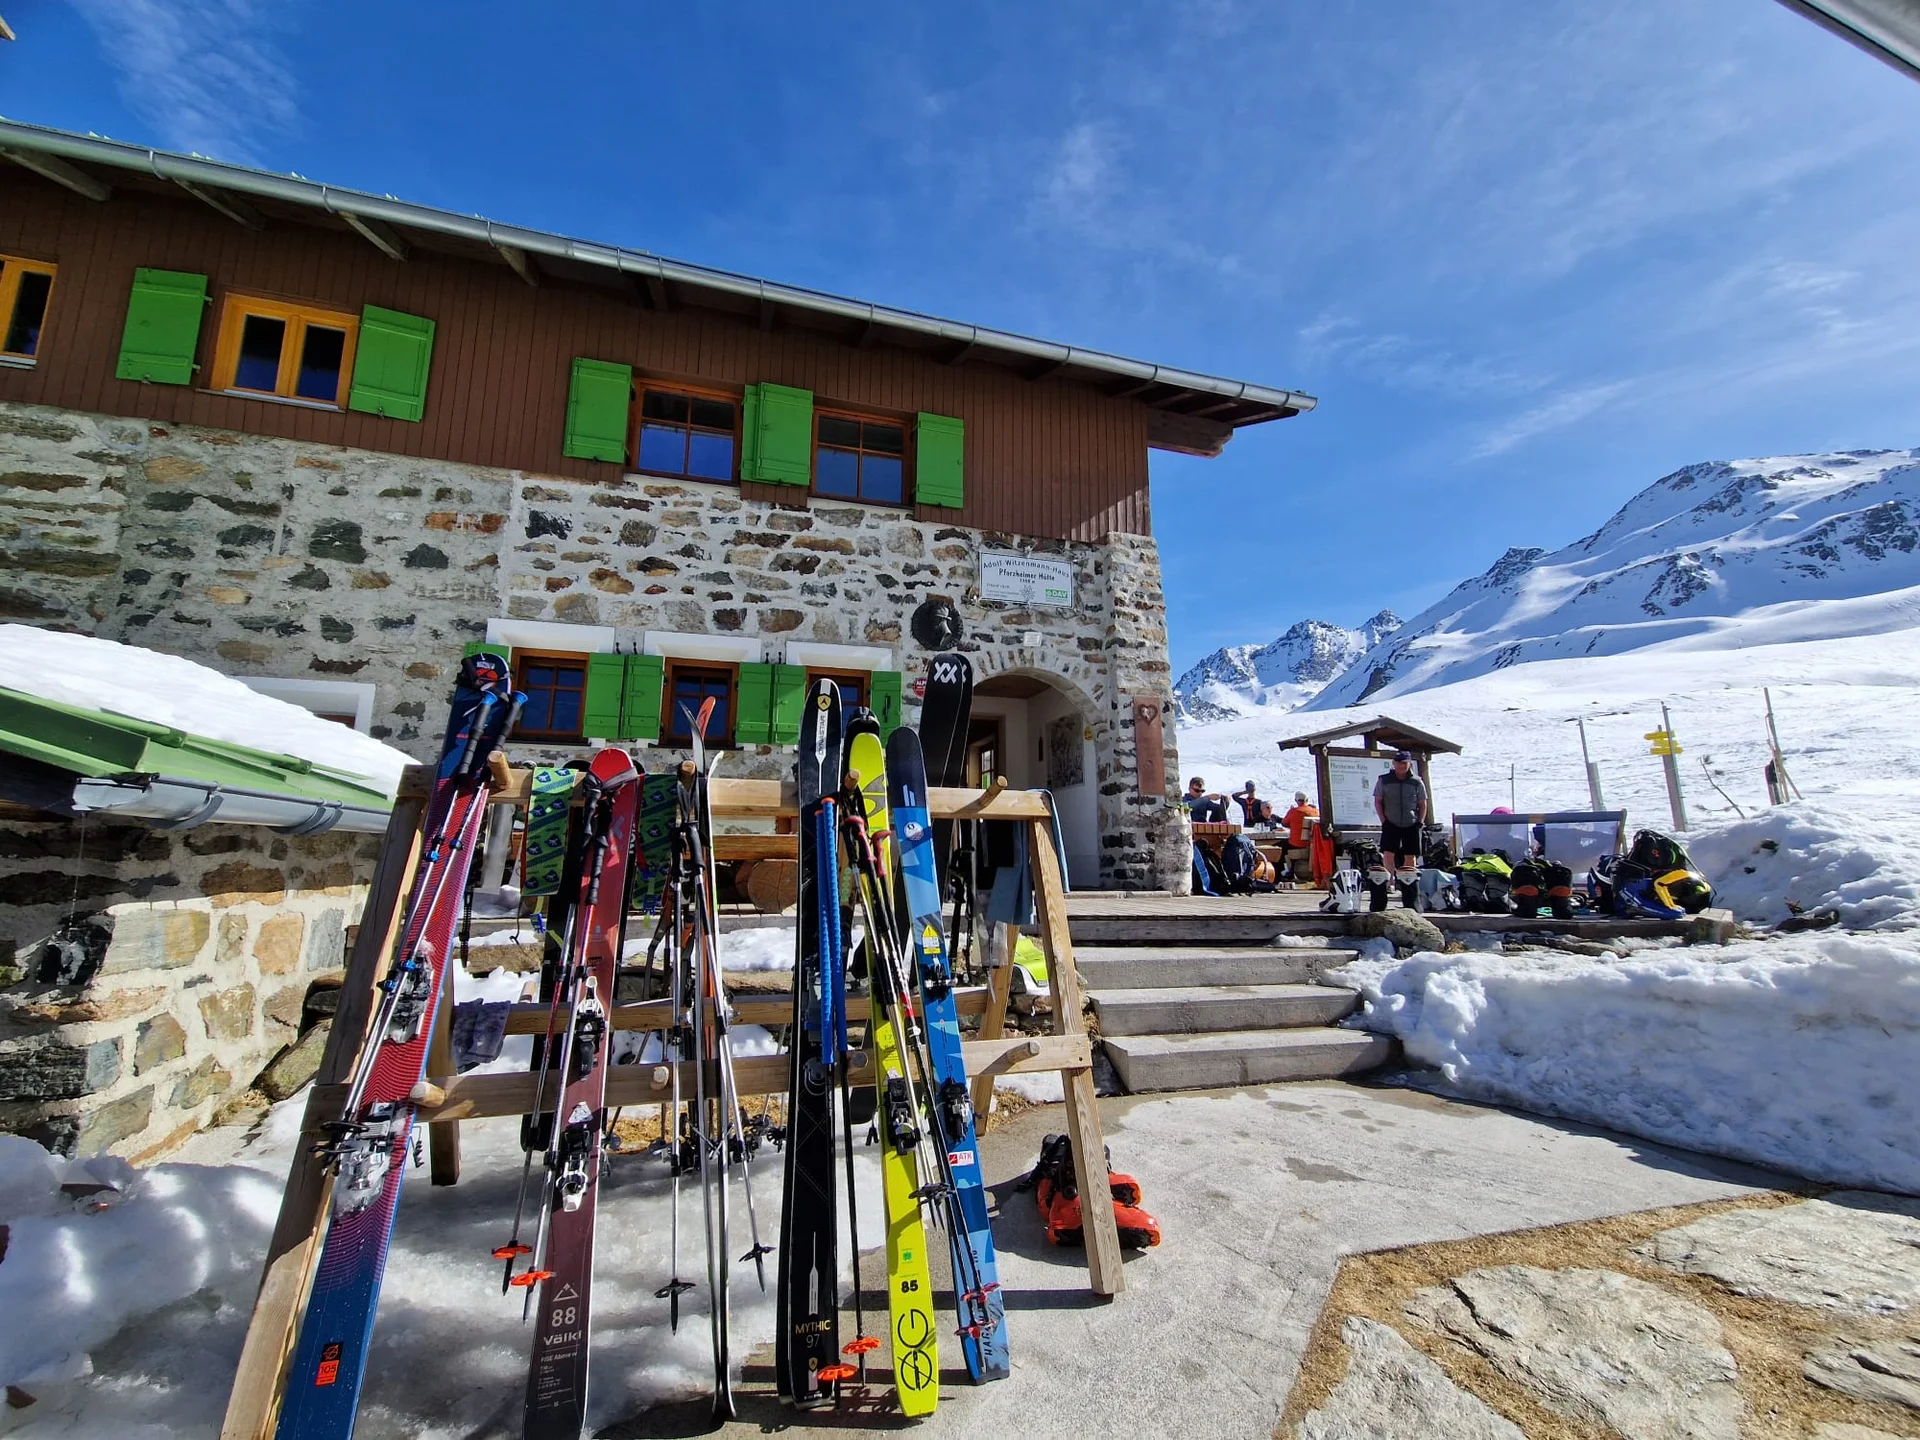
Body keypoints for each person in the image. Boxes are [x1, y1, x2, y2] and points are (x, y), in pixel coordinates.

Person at [1372, 751, 1428, 910]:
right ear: (1393, 763)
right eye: (1398, 763)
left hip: (1411, 822)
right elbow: (1378, 801)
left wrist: (1420, 822)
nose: (1401, 766)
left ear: (1409, 764)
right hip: (1391, 822)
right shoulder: (1384, 780)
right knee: (1389, 853)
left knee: (1410, 855)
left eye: (1404, 763)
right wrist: (1383, 820)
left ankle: (1408, 883)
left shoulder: (1417, 782)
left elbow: (1423, 802)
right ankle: (1389, 883)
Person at [1280, 790, 1318, 881]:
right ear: (1307, 800)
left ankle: (1289, 870)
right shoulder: (1315, 811)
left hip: (1297, 844)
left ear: (1296, 800)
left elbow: (1284, 823)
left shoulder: (1293, 811)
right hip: (1312, 844)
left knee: (1281, 846)